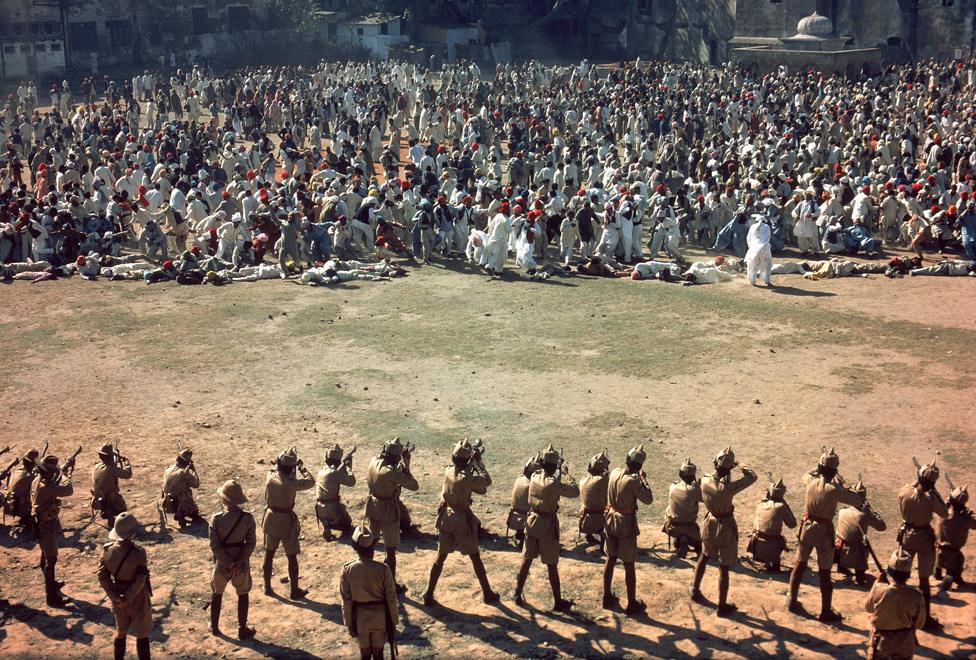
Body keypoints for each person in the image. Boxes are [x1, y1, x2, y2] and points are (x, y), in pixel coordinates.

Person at [787, 447, 864, 623]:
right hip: (823, 531)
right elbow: (857, 500)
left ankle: (792, 600)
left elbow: (806, 474)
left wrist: (819, 468)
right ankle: (825, 611)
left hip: (807, 526)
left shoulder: (810, 481)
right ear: (834, 471)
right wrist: (842, 482)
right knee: (824, 571)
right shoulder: (835, 489)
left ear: (820, 468)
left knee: (799, 564)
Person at [422, 438, 499, 606]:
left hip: (446, 518)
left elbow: (470, 481)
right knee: (475, 557)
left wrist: (470, 463)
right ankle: (487, 593)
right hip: (461, 520)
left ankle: (428, 593)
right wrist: (478, 462)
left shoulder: (449, 471)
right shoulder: (467, 477)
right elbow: (486, 481)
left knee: (440, 557)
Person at [690, 447, 757, 617]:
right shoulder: (729, 487)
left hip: (710, 521)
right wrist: (739, 464)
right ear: (729, 469)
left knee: (704, 556)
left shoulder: (704, 480)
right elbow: (752, 477)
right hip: (726, 524)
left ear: (714, 462)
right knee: (724, 567)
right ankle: (722, 605)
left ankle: (694, 588)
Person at [513, 443, 579, 612]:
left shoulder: (534, 477)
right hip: (547, 525)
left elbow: (543, 478)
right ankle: (557, 601)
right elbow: (574, 491)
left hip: (532, 520)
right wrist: (566, 474)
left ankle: (517, 593)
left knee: (526, 559)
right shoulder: (553, 483)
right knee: (551, 564)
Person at [896, 459, 948, 631]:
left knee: (900, 575)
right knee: (924, 580)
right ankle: (924, 620)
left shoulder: (905, 490)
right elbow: (944, 513)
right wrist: (934, 491)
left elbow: (907, 492)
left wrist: (917, 480)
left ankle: (899, 614)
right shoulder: (930, 499)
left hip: (906, 535)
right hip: (924, 538)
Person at [603, 444, 654, 615]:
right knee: (628, 563)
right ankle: (631, 603)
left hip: (610, 518)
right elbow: (648, 499)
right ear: (639, 466)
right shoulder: (633, 481)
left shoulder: (614, 473)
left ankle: (606, 595)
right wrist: (644, 480)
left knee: (610, 559)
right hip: (625, 523)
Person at [365, 437, 419, 592]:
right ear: (396, 458)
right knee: (390, 550)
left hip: (372, 506)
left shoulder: (374, 461)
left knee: (371, 542)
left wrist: (401, 461)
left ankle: (367, 578)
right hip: (387, 510)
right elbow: (413, 485)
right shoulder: (391, 473)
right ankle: (391, 585)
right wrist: (406, 466)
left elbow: (389, 468)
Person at [97, 512, 153, 660]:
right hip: (138, 597)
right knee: (142, 635)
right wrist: (128, 598)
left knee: (121, 632)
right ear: (132, 533)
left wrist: (116, 597)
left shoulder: (107, 551)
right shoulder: (139, 553)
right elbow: (141, 579)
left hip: (118, 597)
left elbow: (102, 577)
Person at [262, 447, 315, 600]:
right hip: (286, 520)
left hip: (271, 517)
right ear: (291, 468)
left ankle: (267, 586)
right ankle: (294, 590)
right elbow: (311, 481)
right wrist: (301, 467)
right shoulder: (292, 483)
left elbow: (274, 468)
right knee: (291, 556)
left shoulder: (270, 477)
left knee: (269, 554)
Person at [340, 526, 399, 660]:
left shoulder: (348, 570)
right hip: (380, 618)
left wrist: (349, 624)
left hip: (360, 619)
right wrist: (393, 622)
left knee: (364, 655)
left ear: (355, 547)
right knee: (379, 655)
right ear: (373, 547)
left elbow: (346, 601)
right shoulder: (383, 569)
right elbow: (391, 599)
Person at [208, 480, 257, 639]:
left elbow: (214, 546)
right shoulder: (248, 519)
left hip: (222, 563)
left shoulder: (216, 519)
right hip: (241, 563)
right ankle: (242, 628)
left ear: (224, 499)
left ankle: (214, 627)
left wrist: (228, 563)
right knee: (243, 593)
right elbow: (250, 543)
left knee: (217, 592)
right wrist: (239, 562)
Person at [864, 550, 926, 660]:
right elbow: (919, 624)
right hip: (904, 644)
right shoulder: (916, 596)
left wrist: (877, 583)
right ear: (908, 574)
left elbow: (868, 607)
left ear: (889, 571)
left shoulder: (879, 590)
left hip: (881, 643)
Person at [31, 454, 75, 607]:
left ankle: (51, 584)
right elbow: (68, 489)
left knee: (46, 555)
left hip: (41, 524)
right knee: (52, 560)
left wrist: (60, 472)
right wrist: (63, 473)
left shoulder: (37, 480)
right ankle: (52, 598)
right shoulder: (46, 487)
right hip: (46, 525)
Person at [835, 478, 886, 585]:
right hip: (856, 556)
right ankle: (860, 576)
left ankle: (841, 567)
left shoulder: (842, 511)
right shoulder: (866, 515)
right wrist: (871, 511)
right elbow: (882, 527)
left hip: (839, 553)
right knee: (862, 544)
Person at [748, 477, 796, 573]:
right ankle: (774, 566)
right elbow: (792, 524)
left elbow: (766, 499)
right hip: (771, 546)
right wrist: (784, 503)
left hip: (756, 545)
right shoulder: (781, 507)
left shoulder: (760, 504)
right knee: (780, 539)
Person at [935, 485, 975, 590]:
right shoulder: (964, 520)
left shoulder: (943, 512)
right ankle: (953, 576)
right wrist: (967, 511)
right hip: (953, 551)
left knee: (940, 558)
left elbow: (946, 502)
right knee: (959, 559)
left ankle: (937, 571)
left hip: (938, 549)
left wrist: (953, 495)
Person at [315, 444, 356, 541]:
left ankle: (326, 525)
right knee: (347, 523)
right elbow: (351, 482)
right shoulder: (334, 473)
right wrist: (348, 468)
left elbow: (334, 476)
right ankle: (333, 525)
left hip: (319, 509)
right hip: (331, 509)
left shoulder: (322, 471)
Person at [663, 459, 702, 559]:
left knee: (669, 508)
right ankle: (690, 541)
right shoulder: (695, 490)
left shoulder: (673, 486)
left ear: (680, 474)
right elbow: (703, 498)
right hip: (690, 527)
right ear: (693, 476)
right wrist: (698, 484)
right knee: (699, 546)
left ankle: (680, 539)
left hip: (673, 527)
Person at [92, 443, 132, 530]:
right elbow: (127, 474)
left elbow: (108, 467)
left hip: (100, 497)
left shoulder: (96, 465)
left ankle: (110, 519)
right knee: (123, 514)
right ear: (110, 457)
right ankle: (122, 527)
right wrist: (126, 462)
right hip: (111, 498)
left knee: (109, 501)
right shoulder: (111, 469)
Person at [161, 448, 203, 528]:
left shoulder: (168, 469)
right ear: (186, 463)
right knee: (187, 492)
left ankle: (179, 512)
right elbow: (196, 484)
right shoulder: (184, 473)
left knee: (181, 489)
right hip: (181, 500)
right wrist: (194, 471)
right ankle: (182, 513)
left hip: (168, 500)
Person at [507, 454, 541, 548]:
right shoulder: (533, 485)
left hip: (514, 518)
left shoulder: (520, 478)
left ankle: (520, 534)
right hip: (527, 520)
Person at [578, 449, 610, 547]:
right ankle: (605, 542)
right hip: (599, 522)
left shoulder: (582, 480)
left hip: (584, 522)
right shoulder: (602, 481)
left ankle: (588, 535)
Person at [3, 449, 40, 529]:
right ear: (33, 464)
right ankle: (29, 519)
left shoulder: (16, 471)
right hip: (18, 509)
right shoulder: (30, 477)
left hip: (8, 506)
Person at [745, 216, 773, 287]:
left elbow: (748, 238)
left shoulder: (752, 226)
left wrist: (751, 247)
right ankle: (767, 281)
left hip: (754, 248)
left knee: (752, 265)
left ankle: (752, 281)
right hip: (765, 248)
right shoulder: (767, 227)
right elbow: (768, 237)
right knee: (767, 265)